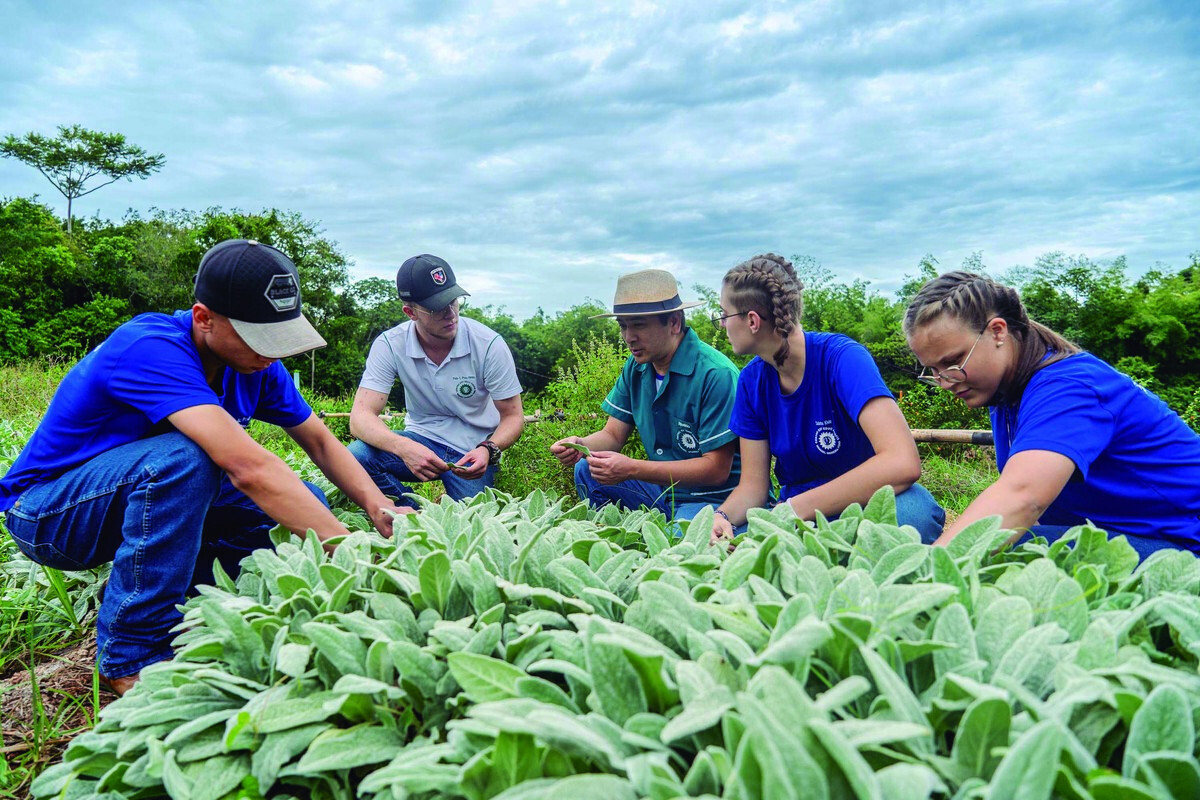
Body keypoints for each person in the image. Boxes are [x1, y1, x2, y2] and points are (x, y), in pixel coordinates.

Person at [0, 239, 410, 696]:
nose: (272, 354)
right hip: (51, 515)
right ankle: (130, 655)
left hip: (134, 502)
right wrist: (348, 550)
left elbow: (319, 440)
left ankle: (169, 599)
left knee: (302, 505)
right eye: (259, 338)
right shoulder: (149, 347)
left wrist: (378, 506)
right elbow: (247, 467)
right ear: (203, 318)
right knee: (186, 457)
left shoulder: (255, 367)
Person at [905, 270, 1200, 556]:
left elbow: (1022, 497)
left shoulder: (1069, 388)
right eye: (933, 370)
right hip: (1133, 537)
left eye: (953, 362)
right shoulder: (1005, 395)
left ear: (997, 331)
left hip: (1184, 543)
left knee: (1014, 553)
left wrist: (925, 573)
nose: (945, 382)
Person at [710, 253, 945, 545]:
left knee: (913, 514)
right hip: (799, 513)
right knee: (737, 540)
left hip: (864, 501)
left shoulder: (843, 358)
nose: (722, 324)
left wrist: (794, 510)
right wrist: (721, 516)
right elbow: (753, 488)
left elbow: (902, 462)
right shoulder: (751, 382)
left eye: (724, 314)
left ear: (752, 321)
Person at [551, 269, 740, 520]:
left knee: (679, 541)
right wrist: (580, 445)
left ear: (674, 322)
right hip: (663, 492)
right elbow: (612, 435)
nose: (629, 337)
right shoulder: (637, 367)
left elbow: (716, 470)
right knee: (587, 469)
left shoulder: (715, 373)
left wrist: (633, 469)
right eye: (623, 326)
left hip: (713, 499)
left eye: (639, 325)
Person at [349, 254, 524, 502]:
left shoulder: (488, 344)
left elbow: (513, 416)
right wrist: (403, 447)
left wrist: (488, 449)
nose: (450, 314)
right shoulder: (390, 344)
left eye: (453, 301)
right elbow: (360, 417)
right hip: (422, 437)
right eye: (436, 308)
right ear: (410, 312)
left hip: (472, 449)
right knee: (356, 457)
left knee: (473, 517)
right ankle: (412, 514)